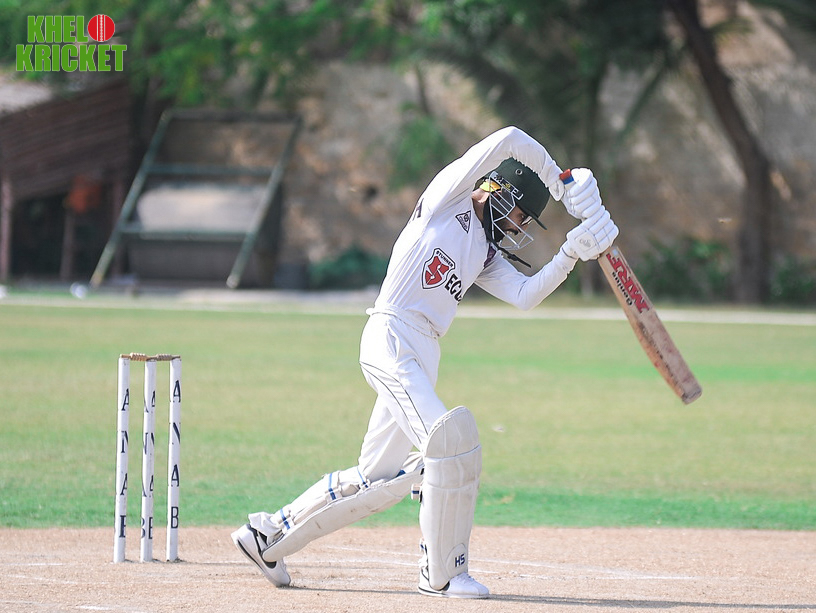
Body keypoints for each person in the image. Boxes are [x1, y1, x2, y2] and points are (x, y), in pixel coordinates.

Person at [231, 125, 617, 599]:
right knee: (451, 444)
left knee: (376, 478)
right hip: (391, 337)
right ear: (500, 189)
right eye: (520, 214)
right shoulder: (446, 200)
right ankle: (442, 575)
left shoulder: (484, 252)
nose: (518, 227)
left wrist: (570, 254)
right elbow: (508, 138)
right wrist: (559, 181)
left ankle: (266, 536)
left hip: (424, 353)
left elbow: (523, 295)